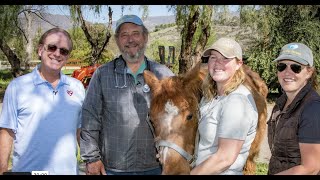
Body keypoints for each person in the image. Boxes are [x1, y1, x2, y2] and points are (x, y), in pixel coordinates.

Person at [80, 15, 174, 175]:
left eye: (136, 33)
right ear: (117, 41)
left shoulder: (163, 74)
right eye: (124, 35)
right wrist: (92, 158)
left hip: (155, 166)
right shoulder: (103, 74)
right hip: (113, 168)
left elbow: (177, 119)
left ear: (145, 37)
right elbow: (90, 118)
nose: (130, 39)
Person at [0, 28, 85, 175]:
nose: (57, 53)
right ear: (40, 50)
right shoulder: (17, 87)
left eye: (63, 51)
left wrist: (92, 161)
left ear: (67, 56)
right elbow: (7, 132)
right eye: (52, 47)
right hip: (28, 172)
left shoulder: (77, 87)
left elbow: (80, 131)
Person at [190, 37, 258, 175]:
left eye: (225, 58)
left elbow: (224, 159)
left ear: (239, 64)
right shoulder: (211, 97)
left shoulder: (237, 102)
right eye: (213, 57)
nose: (218, 63)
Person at [267, 42, 320, 175]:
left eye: (296, 67)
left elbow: (311, 167)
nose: (287, 72)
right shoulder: (280, 104)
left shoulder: (312, 109)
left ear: (309, 72)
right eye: (282, 66)